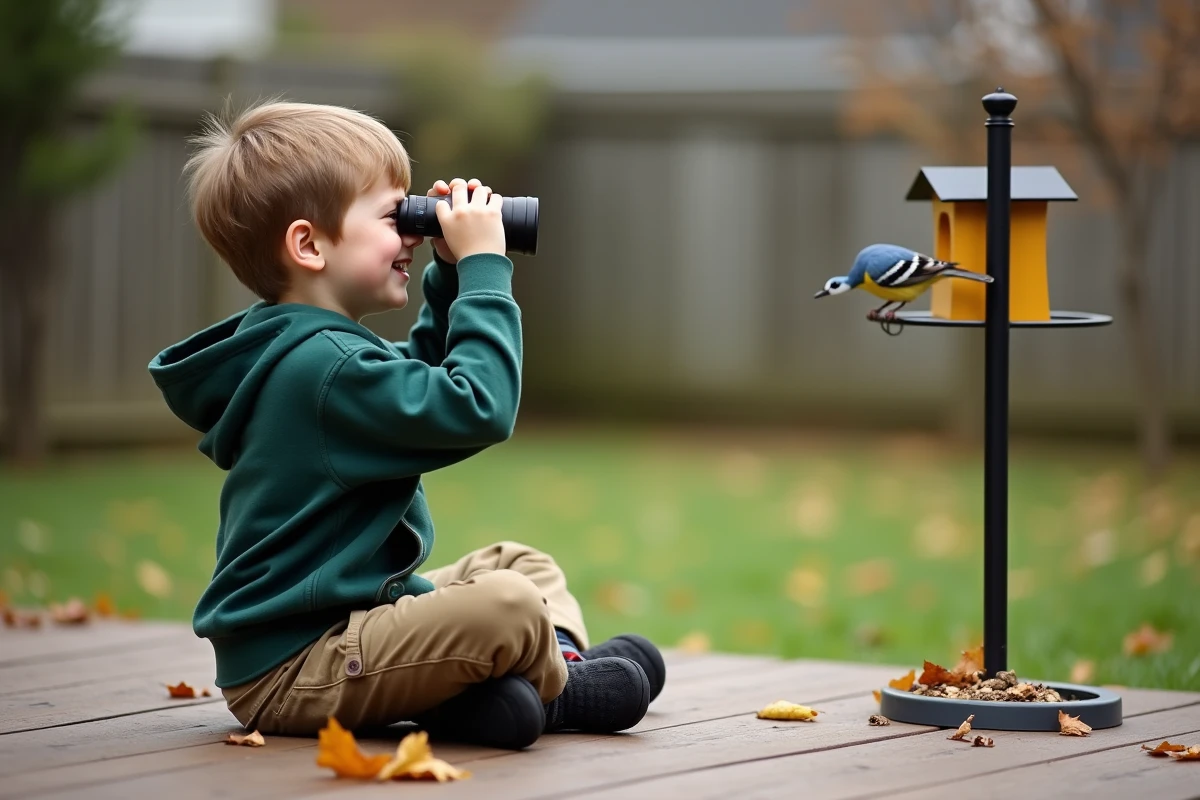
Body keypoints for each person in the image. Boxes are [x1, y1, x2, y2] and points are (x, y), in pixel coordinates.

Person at [147, 100, 665, 750]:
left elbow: (415, 384)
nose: (414, 233)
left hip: (353, 624)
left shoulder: (312, 350)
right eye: (395, 217)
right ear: (309, 244)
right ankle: (562, 689)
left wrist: (447, 275)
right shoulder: (320, 367)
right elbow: (478, 404)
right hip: (297, 668)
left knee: (517, 565)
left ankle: (515, 684)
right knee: (504, 601)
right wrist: (484, 271)